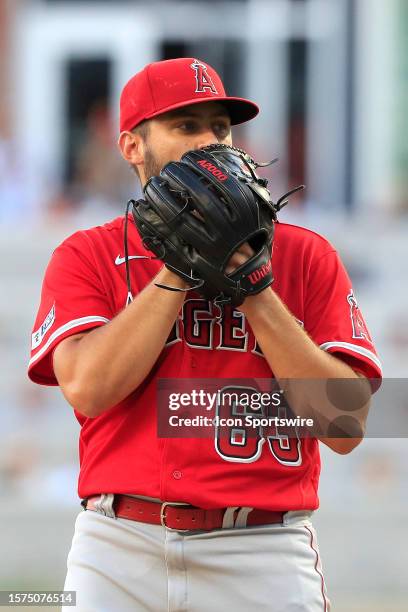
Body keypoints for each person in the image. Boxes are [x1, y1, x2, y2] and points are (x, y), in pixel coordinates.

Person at [28, 57, 382, 611]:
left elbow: (345, 426)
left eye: (219, 127)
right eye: (185, 126)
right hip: (120, 544)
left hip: (261, 548)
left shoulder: (305, 255)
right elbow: (88, 389)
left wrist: (254, 287)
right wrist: (179, 264)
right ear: (132, 147)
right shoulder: (88, 255)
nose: (209, 142)